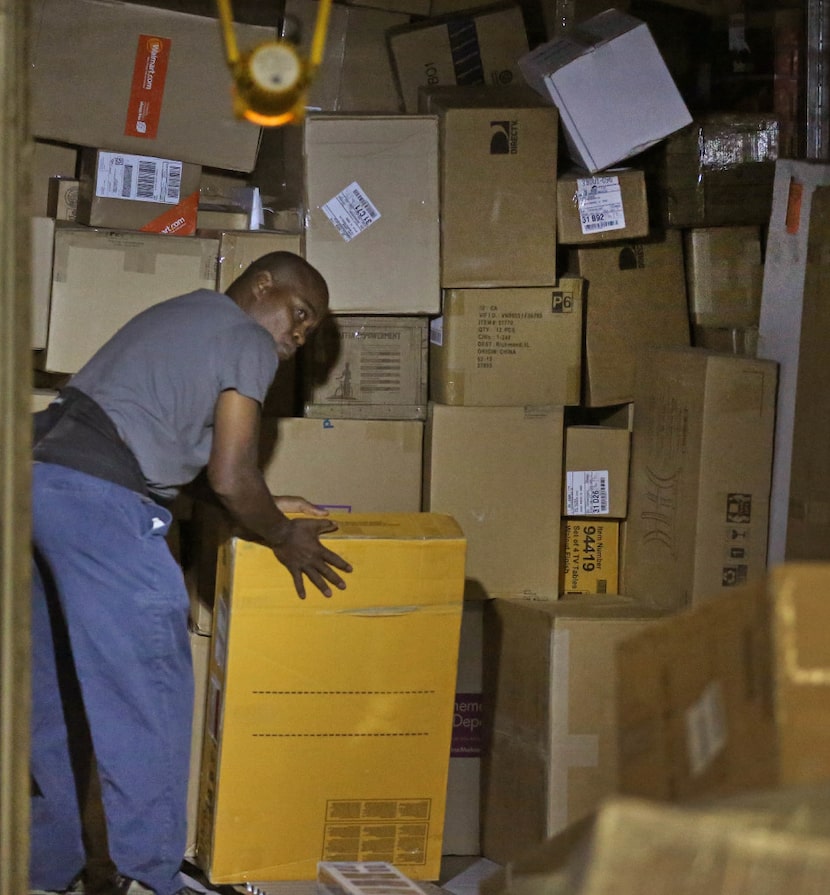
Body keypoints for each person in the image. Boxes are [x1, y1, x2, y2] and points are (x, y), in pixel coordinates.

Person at [29, 251, 352, 895]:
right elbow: (232, 476)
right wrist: (283, 534)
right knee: (151, 690)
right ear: (262, 287)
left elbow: (142, 442)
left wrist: (255, 501)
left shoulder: (178, 317)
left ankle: (43, 872)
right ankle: (148, 877)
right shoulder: (245, 338)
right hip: (100, 506)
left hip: (33, 487)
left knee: (57, 700)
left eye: (309, 332)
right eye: (299, 315)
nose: (297, 337)